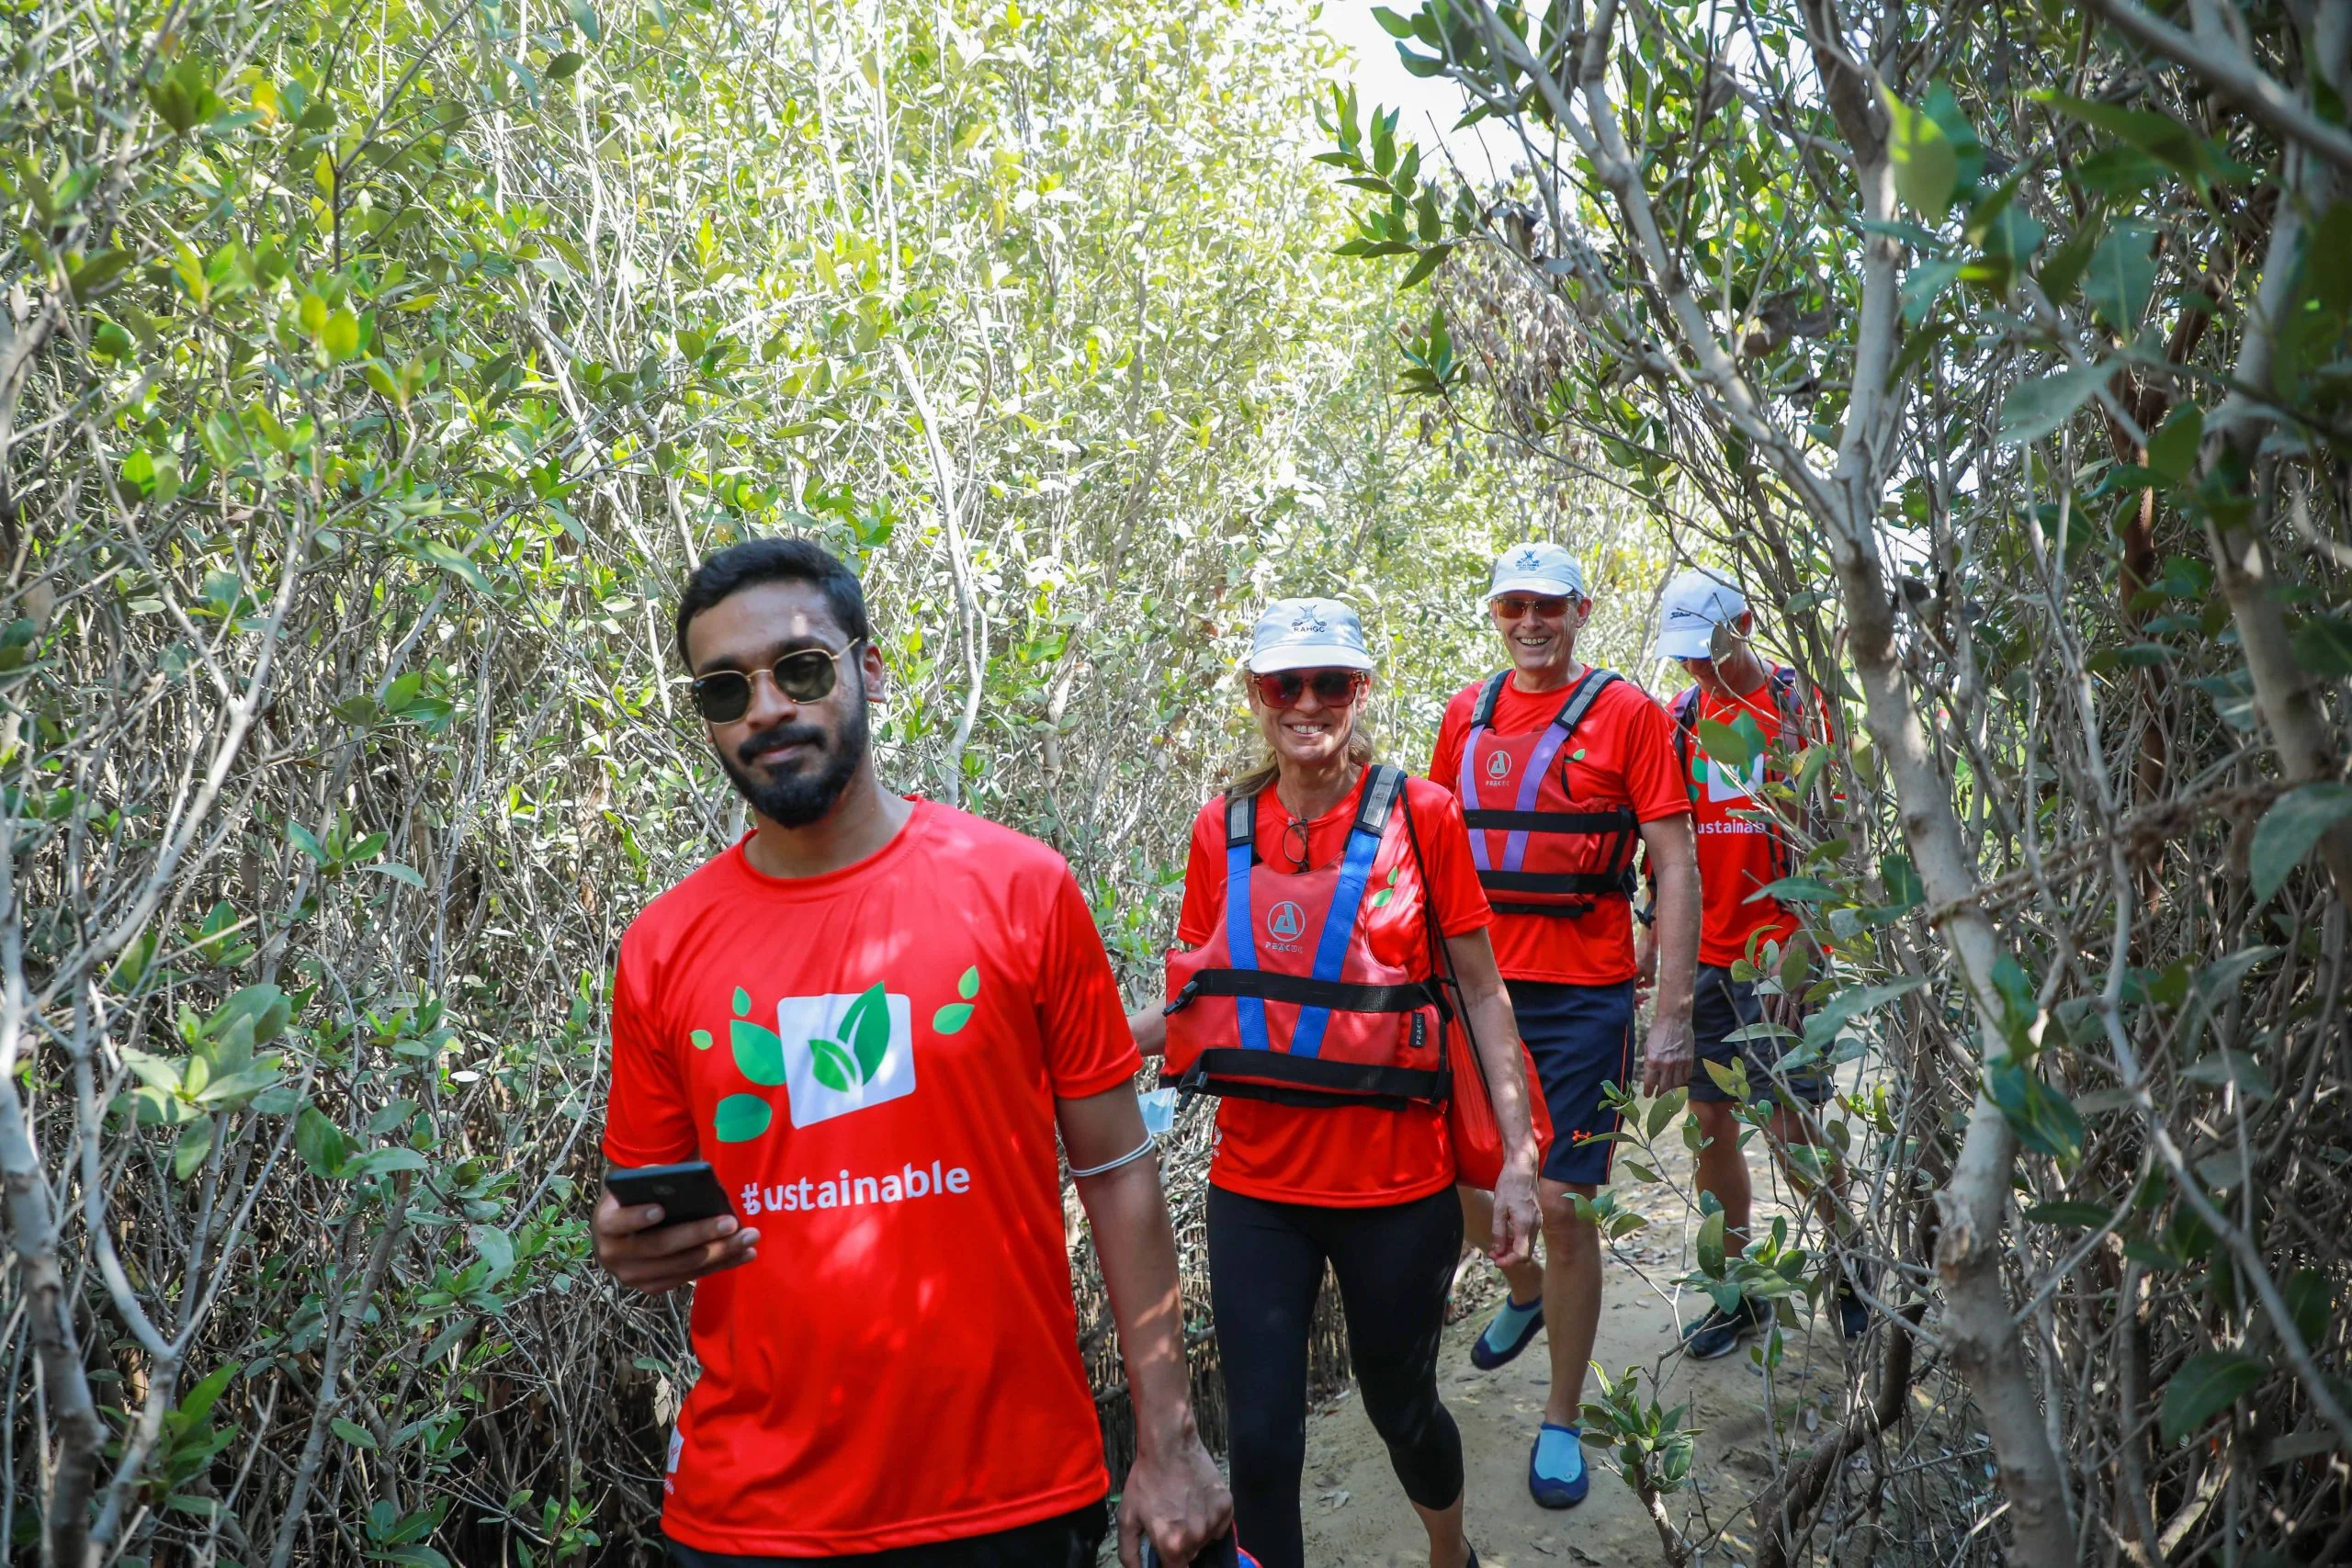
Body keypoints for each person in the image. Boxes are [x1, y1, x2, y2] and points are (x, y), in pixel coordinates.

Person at [594, 537, 1229, 1567]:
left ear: (869, 667)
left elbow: (1116, 1167)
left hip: (1008, 1491)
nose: (765, 709)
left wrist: (1171, 1439)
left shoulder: (1021, 889)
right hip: (750, 1511)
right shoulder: (663, 945)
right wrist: (625, 1245)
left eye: (799, 669)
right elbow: (655, 1224)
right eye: (725, 688)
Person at [1127, 597, 1542, 1568]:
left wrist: (1517, 1162)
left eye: (1330, 683)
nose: (1307, 702)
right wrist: (1058, 1055)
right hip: (1255, 1189)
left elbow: (1482, 995)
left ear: (1360, 691)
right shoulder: (1218, 830)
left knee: (1402, 1410)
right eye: (1286, 683)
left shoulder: (1423, 816)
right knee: (1264, 1445)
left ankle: (1451, 1553)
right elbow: (1207, 1002)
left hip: (1396, 1191)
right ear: (1256, 695)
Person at [1429, 544, 1699, 1510]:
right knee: (1451, 1182)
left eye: (1548, 606)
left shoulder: (1626, 714)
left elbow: (1673, 860)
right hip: (1473, 989)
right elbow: (1428, 849)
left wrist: (1669, 1010)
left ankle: (1560, 1418)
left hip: (1582, 995)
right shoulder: (1466, 713)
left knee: (1561, 1203)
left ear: (1581, 610)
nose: (1530, 622)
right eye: (1513, 606)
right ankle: (1525, 1292)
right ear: (1494, 613)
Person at [1645, 568, 1868, 1356]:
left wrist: (1806, 948)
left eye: (1706, 649)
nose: (1695, 667)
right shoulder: (1680, 720)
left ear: (1744, 621)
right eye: (1684, 655)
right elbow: (1667, 850)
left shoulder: (1801, 708)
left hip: (1784, 945)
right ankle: (1736, 1295)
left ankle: (1852, 1270)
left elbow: (1842, 838)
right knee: (1710, 1124)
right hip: (1708, 953)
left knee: (1790, 1127)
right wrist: (1654, 944)